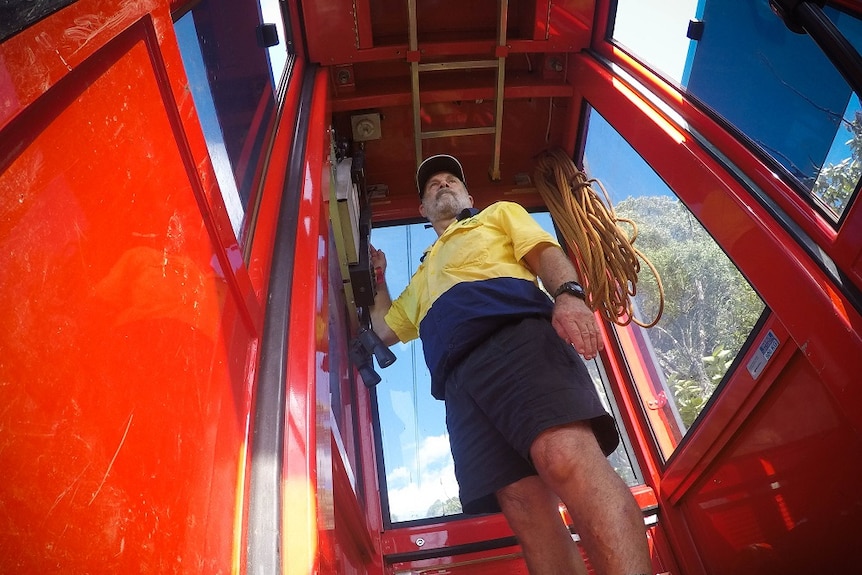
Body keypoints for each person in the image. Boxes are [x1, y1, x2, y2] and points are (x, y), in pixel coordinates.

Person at [369, 154, 652, 575]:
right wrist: (378, 276)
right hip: (459, 384)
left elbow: (544, 253)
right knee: (524, 507)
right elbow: (383, 329)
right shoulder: (423, 274)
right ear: (423, 210)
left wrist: (570, 295)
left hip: (516, 339)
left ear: (468, 195)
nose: (443, 185)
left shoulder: (499, 215)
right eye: (433, 186)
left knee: (564, 457)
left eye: (451, 181)